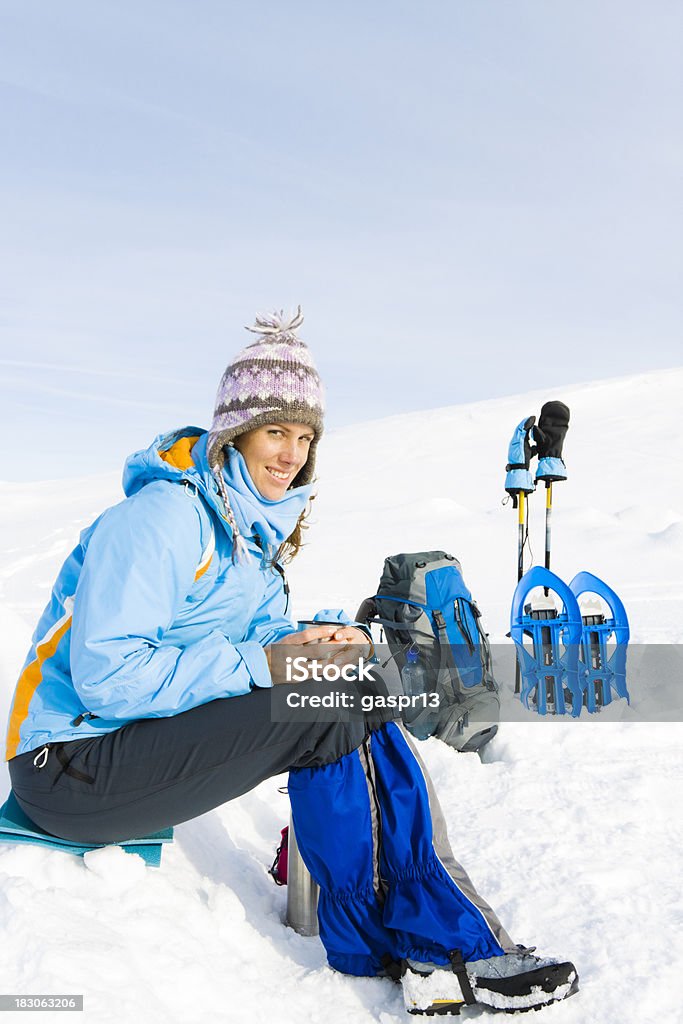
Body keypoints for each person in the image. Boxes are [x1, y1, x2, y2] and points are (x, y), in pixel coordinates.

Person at [4, 309, 578, 1015]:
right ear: (233, 434)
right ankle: (438, 945)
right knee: (328, 703)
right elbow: (110, 677)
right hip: (69, 766)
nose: (291, 454)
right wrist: (265, 662)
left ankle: (403, 938)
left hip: (122, 752)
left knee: (350, 685)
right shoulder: (162, 519)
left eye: (304, 437)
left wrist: (310, 638)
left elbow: (249, 632)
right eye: (276, 431)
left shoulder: (248, 534)